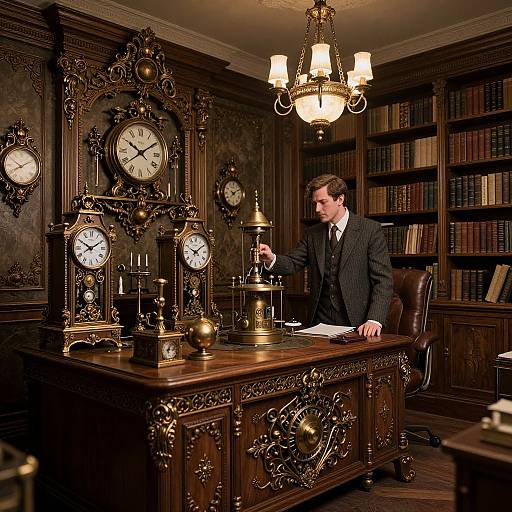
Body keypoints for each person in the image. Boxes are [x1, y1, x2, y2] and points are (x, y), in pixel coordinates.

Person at [259, 174, 392, 336]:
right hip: (319, 325)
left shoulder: (370, 230)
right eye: (315, 203)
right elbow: (293, 262)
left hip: (359, 326)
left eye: (323, 203)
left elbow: (383, 281)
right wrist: (271, 257)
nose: (317, 209)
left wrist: (374, 319)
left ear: (340, 199)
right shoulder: (312, 234)